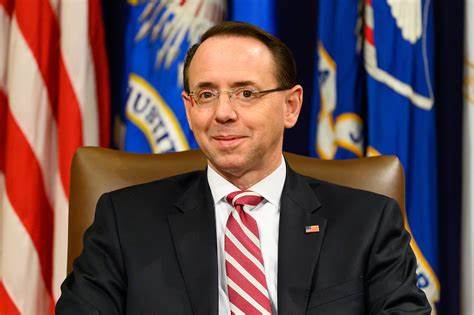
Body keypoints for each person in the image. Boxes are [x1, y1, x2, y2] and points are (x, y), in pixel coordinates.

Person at [57, 21, 431, 314]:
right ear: (188, 109)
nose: (223, 113)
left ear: (291, 106)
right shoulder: (124, 222)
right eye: (206, 94)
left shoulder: (367, 222)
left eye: (246, 93)